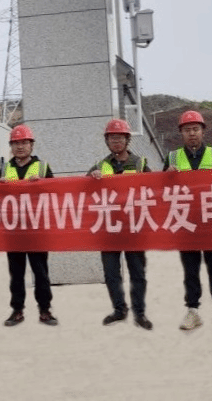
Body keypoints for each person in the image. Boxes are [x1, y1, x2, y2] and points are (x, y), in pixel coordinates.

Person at [165, 111, 212, 331]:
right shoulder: (172, 158)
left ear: (203, 131)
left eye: (196, 129)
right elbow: (163, 191)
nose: (192, 133)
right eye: (187, 130)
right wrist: (167, 176)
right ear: (181, 133)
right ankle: (193, 310)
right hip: (186, 222)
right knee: (190, 269)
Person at [87, 118, 153, 330]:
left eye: (120, 137)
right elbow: (82, 190)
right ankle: (119, 310)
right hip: (109, 229)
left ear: (127, 140)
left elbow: (155, 190)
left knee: (138, 273)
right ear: (107, 141)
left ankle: (140, 313)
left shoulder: (140, 164)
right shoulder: (100, 166)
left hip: (134, 228)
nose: (116, 141)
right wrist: (91, 178)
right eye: (112, 138)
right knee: (111, 274)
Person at [0, 124, 57, 327]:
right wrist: (0, 187)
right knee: (16, 274)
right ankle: (17, 310)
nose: (20, 146)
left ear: (32, 145)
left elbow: (55, 194)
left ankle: (45, 310)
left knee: (41, 273)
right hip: (13, 230)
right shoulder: (4, 169)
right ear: (11, 146)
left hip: (36, 230)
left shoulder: (42, 168)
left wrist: (42, 184)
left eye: (24, 142)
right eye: (16, 143)